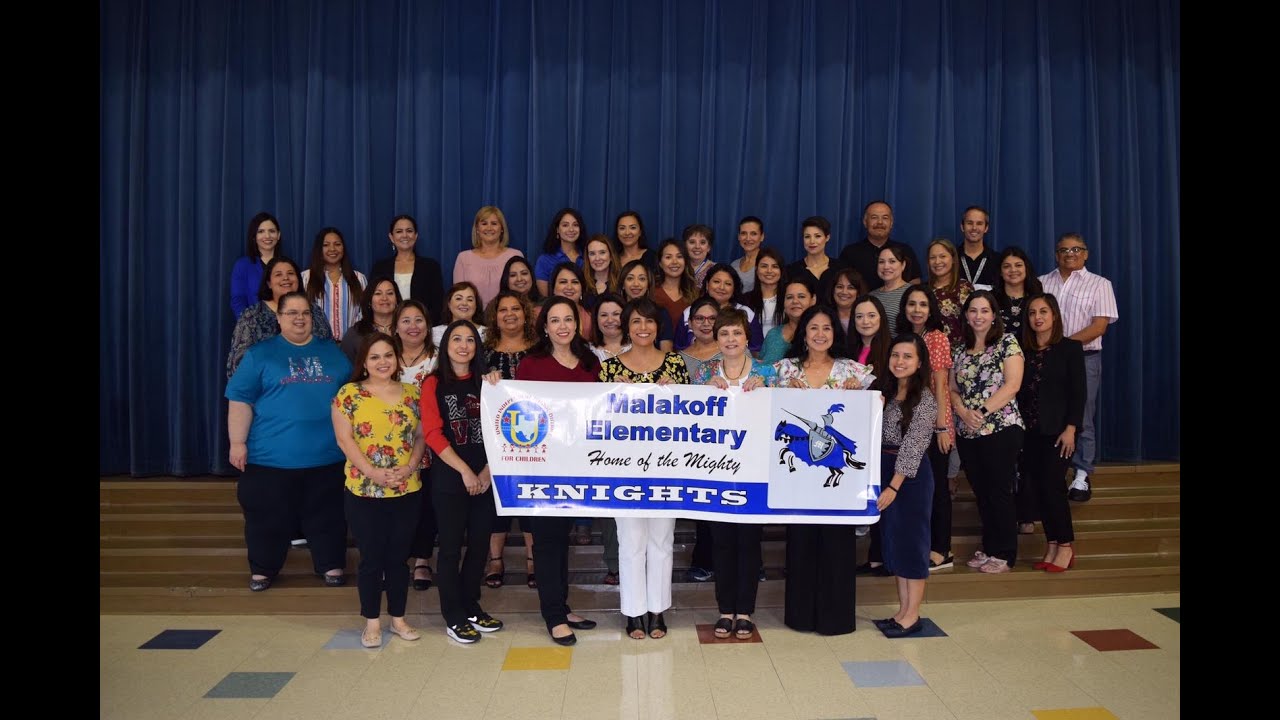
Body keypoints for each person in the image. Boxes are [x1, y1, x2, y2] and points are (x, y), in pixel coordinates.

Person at [225, 291, 352, 592]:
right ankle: (263, 568)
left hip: (328, 456)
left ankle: (330, 564)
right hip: (270, 458)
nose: (299, 319)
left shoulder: (332, 353)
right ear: (279, 318)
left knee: (329, 516)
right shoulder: (260, 354)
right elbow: (240, 399)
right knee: (266, 517)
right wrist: (237, 443)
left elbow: (353, 397)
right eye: (292, 313)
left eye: (305, 313)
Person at [774, 305, 869, 635]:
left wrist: (866, 398)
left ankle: (836, 618)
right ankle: (800, 616)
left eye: (826, 328)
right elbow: (759, 402)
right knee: (800, 544)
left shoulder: (853, 373)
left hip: (837, 485)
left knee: (837, 546)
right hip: (797, 480)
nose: (819, 334)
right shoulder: (784, 371)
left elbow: (871, 411)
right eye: (813, 327)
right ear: (804, 332)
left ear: (835, 333)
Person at [599, 298, 690, 640]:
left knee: (662, 539)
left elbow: (693, 416)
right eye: (636, 321)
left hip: (667, 465)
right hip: (623, 466)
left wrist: (674, 393)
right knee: (630, 540)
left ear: (658, 327)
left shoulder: (675, 365)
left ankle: (658, 609)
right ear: (627, 325)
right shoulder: (609, 368)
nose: (643, 328)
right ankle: (634, 612)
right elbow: (599, 417)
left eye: (649, 322)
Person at [515, 297, 603, 645]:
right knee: (547, 541)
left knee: (562, 539)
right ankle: (552, 614)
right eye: (555, 320)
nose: (563, 326)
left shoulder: (589, 362)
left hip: (580, 465)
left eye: (569, 319)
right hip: (542, 468)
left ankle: (562, 607)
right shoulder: (530, 363)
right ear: (545, 326)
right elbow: (517, 409)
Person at [331, 333, 426, 647]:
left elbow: (421, 437)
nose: (382, 362)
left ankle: (398, 618)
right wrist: (372, 471)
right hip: (363, 491)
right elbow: (345, 441)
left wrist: (411, 466)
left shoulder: (414, 393)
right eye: (374, 357)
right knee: (371, 559)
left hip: (406, 489)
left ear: (397, 358)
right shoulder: (349, 394)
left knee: (399, 559)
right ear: (364, 362)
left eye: (388, 355)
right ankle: (372, 622)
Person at [693, 307, 778, 638]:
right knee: (722, 544)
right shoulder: (703, 373)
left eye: (736, 333)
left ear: (747, 338)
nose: (730, 339)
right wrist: (702, 392)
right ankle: (725, 610)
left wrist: (768, 390)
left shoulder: (767, 373)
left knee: (749, 544)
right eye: (724, 333)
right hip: (715, 472)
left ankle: (745, 612)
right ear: (717, 338)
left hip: (754, 473)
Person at [420, 320, 505, 643]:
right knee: (451, 548)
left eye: (470, 340)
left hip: (486, 476)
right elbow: (432, 433)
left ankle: (471, 606)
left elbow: (501, 431)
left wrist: (484, 471)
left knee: (481, 545)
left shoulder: (490, 383)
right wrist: (465, 472)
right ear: (446, 345)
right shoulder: (434, 382)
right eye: (456, 339)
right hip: (450, 477)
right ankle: (453, 615)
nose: (463, 345)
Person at [1038, 233, 1118, 503]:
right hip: (1045, 358)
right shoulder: (1041, 283)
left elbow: (1099, 326)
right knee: (1045, 412)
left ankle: (1082, 473)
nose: (1069, 254)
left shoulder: (1100, 284)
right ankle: (1049, 469)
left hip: (1084, 358)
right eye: (1063, 250)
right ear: (1055, 254)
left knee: (1081, 414)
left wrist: (1063, 347)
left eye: (1075, 249)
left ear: (1086, 253)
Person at [950, 291, 1024, 574]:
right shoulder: (959, 349)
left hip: (1001, 428)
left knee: (999, 492)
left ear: (994, 315)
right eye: (973, 310)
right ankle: (990, 546)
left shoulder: (1007, 343)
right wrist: (962, 412)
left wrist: (980, 413)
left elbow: (1012, 384)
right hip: (968, 432)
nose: (978, 316)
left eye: (984, 310)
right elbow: (953, 389)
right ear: (966, 316)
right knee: (982, 493)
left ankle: (1005, 553)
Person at [871, 334, 938, 637]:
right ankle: (901, 611)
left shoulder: (924, 399)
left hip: (908, 478)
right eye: (895, 355)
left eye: (907, 356)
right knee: (894, 542)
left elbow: (913, 448)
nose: (900, 361)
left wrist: (894, 487)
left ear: (920, 362)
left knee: (912, 544)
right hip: (884, 469)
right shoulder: (883, 392)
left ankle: (913, 615)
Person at [1018, 293, 1085, 573]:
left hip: (1059, 432)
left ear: (1054, 315)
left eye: (1043, 311)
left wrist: (1071, 428)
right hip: (1030, 433)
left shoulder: (1069, 348)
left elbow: (1078, 393)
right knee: (1038, 489)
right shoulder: (1024, 350)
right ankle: (1052, 543)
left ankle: (1066, 546)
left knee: (1053, 486)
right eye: (1032, 313)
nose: (1038, 317)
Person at [896, 287, 958, 571]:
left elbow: (941, 385)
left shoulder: (937, 338)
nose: (917, 310)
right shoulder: (903, 338)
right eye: (911, 304)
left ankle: (941, 549)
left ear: (931, 309)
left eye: (922, 304)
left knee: (938, 489)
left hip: (934, 423)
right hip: (907, 424)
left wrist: (942, 426)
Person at [481, 291, 538, 590]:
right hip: (494, 439)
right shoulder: (484, 352)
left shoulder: (540, 350)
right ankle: (495, 561)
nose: (510, 314)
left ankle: (532, 560)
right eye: (503, 310)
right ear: (495, 316)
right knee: (496, 501)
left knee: (529, 500)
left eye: (516, 308)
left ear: (525, 313)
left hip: (535, 437)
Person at [393, 301, 440, 593]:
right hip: (393, 442)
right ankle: (395, 558)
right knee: (397, 505)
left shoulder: (438, 359)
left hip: (432, 442)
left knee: (426, 503)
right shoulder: (385, 355)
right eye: (406, 320)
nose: (413, 326)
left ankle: (423, 558)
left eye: (419, 320)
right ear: (396, 326)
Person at [227, 256, 333, 378]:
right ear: (269, 283)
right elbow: (238, 365)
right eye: (278, 275)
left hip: (313, 384)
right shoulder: (252, 316)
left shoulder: (314, 311)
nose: (286, 278)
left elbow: (329, 350)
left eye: (290, 273)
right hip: (267, 390)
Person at [675, 264, 763, 351]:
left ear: (734, 289)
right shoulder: (689, 312)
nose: (721, 287)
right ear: (707, 285)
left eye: (728, 284)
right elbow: (679, 348)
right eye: (716, 282)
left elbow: (756, 350)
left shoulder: (746, 313)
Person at [837, 201, 921, 292]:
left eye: (885, 218)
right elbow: (841, 284)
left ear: (891, 223)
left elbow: (915, 282)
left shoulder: (905, 250)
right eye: (874, 217)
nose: (880, 222)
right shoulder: (850, 252)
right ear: (865, 222)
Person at [371, 214, 444, 317]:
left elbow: (437, 304)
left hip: (420, 328)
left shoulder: (431, 267)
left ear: (416, 236)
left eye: (409, 231)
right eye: (399, 231)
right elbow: (373, 301)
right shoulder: (380, 268)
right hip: (387, 327)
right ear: (391, 237)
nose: (404, 235)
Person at [301, 226, 367, 339]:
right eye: (326, 245)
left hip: (351, 346)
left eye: (337, 244)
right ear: (319, 249)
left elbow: (364, 313)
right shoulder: (306, 278)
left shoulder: (359, 278)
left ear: (343, 248)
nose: (332, 249)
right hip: (317, 345)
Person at [452, 206, 523, 306]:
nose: (489, 228)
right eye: (484, 223)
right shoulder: (463, 258)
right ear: (477, 229)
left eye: (494, 223)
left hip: (507, 317)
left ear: (502, 228)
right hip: (473, 318)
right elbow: (458, 297)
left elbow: (522, 293)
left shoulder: (515, 255)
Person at [925, 238, 975, 348]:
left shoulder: (964, 288)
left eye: (942, 256)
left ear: (953, 259)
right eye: (932, 257)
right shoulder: (923, 290)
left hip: (960, 354)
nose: (937, 262)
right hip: (929, 353)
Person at [230, 212, 281, 317]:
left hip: (285, 329)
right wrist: (250, 326)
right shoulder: (242, 265)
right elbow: (238, 301)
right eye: (261, 231)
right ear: (254, 236)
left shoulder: (286, 265)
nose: (267, 236)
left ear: (278, 235)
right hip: (253, 328)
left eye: (272, 231)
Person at [757, 275, 817, 365]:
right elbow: (762, 368)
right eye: (789, 297)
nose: (795, 301)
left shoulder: (821, 334)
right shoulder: (773, 334)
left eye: (801, 296)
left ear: (813, 300)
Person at [340, 277, 401, 363]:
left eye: (390, 293)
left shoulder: (406, 329)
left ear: (397, 300)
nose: (384, 298)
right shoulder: (355, 333)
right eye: (378, 293)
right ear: (369, 300)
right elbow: (346, 368)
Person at [785, 216, 847, 299]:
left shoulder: (840, 268)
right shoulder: (792, 271)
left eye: (817, 236)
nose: (812, 241)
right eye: (807, 236)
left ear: (827, 237)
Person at [618, 259, 674, 351]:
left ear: (648, 284)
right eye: (630, 278)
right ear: (623, 284)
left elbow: (666, 353)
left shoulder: (660, 313)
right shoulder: (615, 313)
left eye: (642, 279)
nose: (636, 284)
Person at [992, 246, 1043, 345]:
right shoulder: (990, 299)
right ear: (1000, 272)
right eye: (1007, 266)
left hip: (1032, 354)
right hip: (997, 356)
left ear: (1026, 269)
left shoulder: (1037, 299)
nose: (1013, 270)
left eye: (1018, 265)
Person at [535, 208, 586, 297]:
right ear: (557, 229)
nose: (571, 229)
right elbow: (546, 297)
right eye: (565, 225)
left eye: (575, 225)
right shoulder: (544, 260)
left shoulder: (588, 256)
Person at [653, 238, 698, 332]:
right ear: (660, 263)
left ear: (685, 261)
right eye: (668, 257)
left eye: (679, 256)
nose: (674, 262)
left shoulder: (696, 293)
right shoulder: (651, 292)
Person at [740, 247, 786, 339]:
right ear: (757, 270)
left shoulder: (789, 299)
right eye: (764, 266)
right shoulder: (745, 300)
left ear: (781, 271)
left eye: (775, 266)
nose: (769, 271)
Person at [678, 296, 723, 380]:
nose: (706, 323)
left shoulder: (735, 353)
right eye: (699, 318)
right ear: (690, 323)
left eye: (712, 318)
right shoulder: (679, 360)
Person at [869, 246, 913, 331]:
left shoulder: (913, 293)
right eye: (881, 262)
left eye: (892, 261)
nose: (886, 266)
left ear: (903, 265)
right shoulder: (871, 296)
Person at [432, 282, 486, 346]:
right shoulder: (433, 334)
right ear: (449, 304)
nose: (464, 303)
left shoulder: (488, 334)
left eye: (470, 300)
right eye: (458, 299)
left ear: (476, 305)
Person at [958, 206, 998, 290]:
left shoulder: (997, 260)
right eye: (969, 223)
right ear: (962, 227)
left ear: (986, 228)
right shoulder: (951, 259)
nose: (974, 228)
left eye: (979, 223)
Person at [826, 267, 868, 338]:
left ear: (858, 293)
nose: (844, 292)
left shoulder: (866, 318)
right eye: (840, 287)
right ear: (833, 290)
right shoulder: (825, 317)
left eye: (850, 288)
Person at [730, 216, 766, 292]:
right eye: (743, 233)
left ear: (762, 237)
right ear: (739, 237)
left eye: (753, 234)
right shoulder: (734, 265)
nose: (748, 238)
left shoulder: (768, 264)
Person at [683, 223, 716, 288]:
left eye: (702, 242)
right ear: (685, 245)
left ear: (709, 247)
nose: (697, 246)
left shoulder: (716, 270)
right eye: (692, 242)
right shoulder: (678, 267)